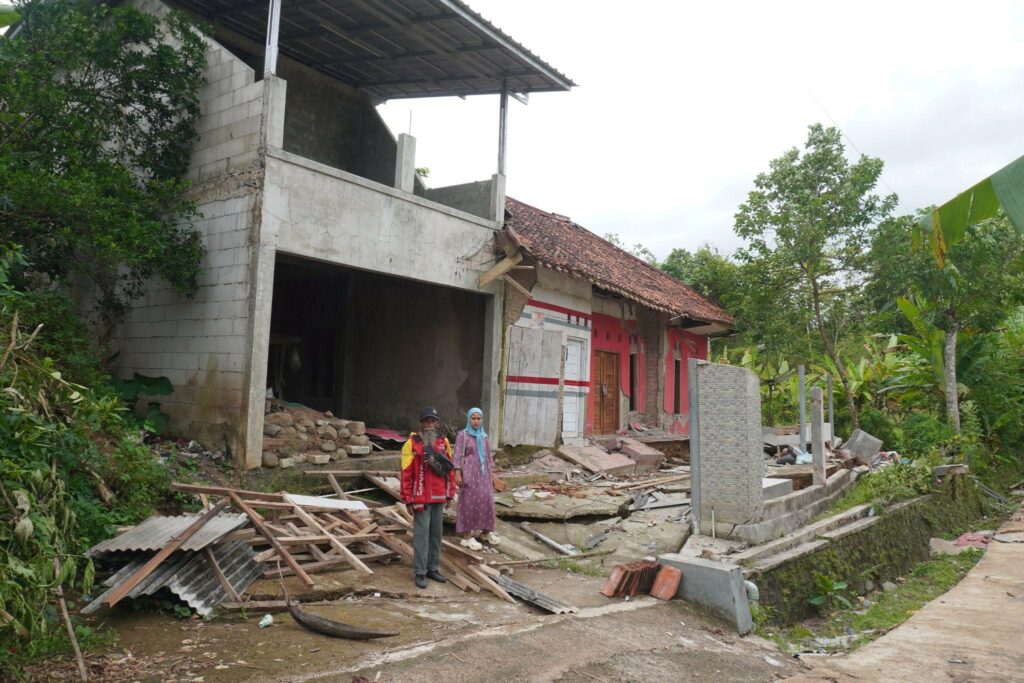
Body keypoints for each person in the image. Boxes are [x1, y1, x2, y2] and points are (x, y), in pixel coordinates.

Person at [400, 406, 456, 589]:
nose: (430, 424)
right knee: (421, 536)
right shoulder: (411, 443)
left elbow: (450, 470)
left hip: (439, 496)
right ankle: (420, 572)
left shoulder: (443, 442)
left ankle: (433, 568)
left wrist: (450, 494)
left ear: (437, 423)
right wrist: (408, 498)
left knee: (436, 535)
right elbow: (406, 473)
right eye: (426, 421)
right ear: (421, 423)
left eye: (433, 421)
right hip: (420, 496)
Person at [453, 407, 499, 550]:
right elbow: (457, 455)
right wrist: (457, 473)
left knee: (487, 500)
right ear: (469, 419)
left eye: (479, 418)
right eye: (473, 418)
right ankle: (467, 536)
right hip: (469, 473)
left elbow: (488, 456)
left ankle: (485, 532)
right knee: (468, 501)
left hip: (483, 474)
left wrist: (492, 475)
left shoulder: (484, 436)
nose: (476, 421)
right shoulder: (463, 435)